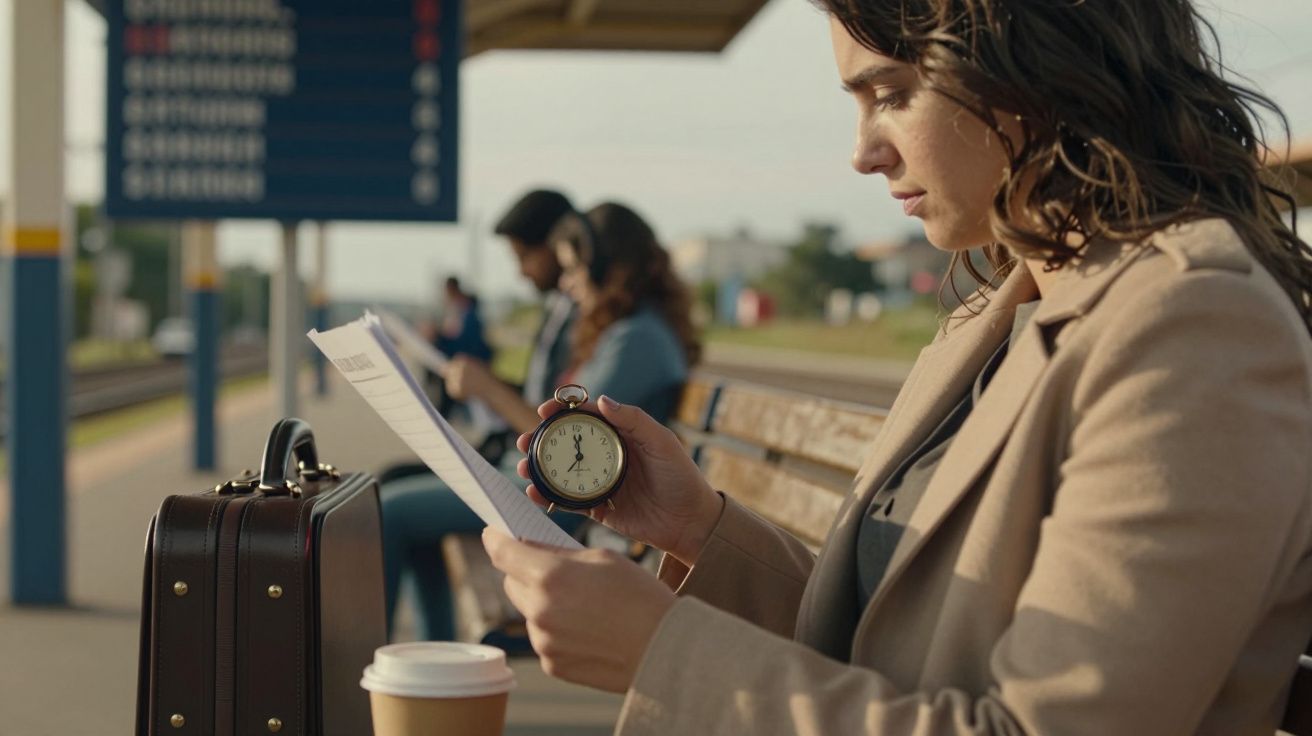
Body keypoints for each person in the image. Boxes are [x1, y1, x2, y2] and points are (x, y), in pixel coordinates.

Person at [482, 2, 1312, 734]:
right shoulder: (997, 316)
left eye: (892, 94)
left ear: (1040, 67)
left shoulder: (1198, 333)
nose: (863, 153)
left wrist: (663, 654)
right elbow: (904, 649)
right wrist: (701, 530)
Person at [382, 199, 702, 641]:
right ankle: (431, 664)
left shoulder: (637, 340)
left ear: (610, 267)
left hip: (565, 505)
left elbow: (565, 441)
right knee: (402, 510)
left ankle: (411, 673)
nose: (568, 285)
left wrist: (489, 389)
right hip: (551, 491)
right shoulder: (626, 334)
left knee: (389, 511)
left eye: (575, 270)